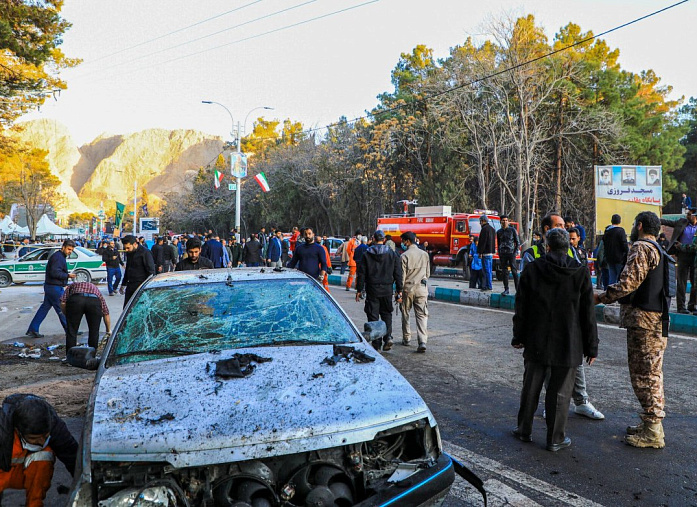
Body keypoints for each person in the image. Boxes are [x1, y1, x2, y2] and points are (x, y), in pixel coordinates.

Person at [512, 228, 598, 452]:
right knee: (560, 393)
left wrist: (518, 336)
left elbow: (522, 307)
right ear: (568, 247)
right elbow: (588, 314)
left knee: (530, 387)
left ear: (546, 246)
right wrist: (592, 346)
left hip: (536, 339)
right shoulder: (580, 272)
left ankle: (524, 430)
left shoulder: (532, 269)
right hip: (568, 343)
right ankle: (555, 438)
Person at [595, 211, 668, 448]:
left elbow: (628, 283)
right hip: (655, 321)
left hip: (643, 322)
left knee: (644, 375)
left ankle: (653, 430)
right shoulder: (658, 249)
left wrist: (602, 297)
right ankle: (651, 424)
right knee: (651, 373)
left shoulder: (641, 247)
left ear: (639, 226)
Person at [0, 394, 79, 507]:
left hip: (25, 473)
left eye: (45, 436)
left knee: (44, 455)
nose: (41, 442)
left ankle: (34, 503)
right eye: (33, 439)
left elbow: (73, 458)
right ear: (18, 431)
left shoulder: (55, 427)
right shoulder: (2, 431)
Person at [355, 230, 403, 352]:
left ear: (374, 239)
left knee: (373, 315)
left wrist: (359, 289)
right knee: (387, 313)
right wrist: (399, 289)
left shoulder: (366, 254)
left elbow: (361, 274)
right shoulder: (392, 254)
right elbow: (398, 273)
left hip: (372, 289)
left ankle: (376, 342)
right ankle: (388, 337)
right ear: (384, 240)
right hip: (387, 289)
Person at [25, 240, 76, 339]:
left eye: (72, 250)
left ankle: (33, 329)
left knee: (44, 309)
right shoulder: (58, 257)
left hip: (51, 286)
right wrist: (67, 275)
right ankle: (70, 331)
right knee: (62, 309)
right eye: (69, 249)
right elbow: (54, 273)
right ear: (63, 247)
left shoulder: (59, 256)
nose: (70, 252)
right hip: (54, 287)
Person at [660, 210, 697, 314]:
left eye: (690, 214)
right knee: (681, 282)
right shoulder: (682, 222)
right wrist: (656, 220)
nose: (688, 216)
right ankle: (681, 306)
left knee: (695, 282)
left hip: (694, 256)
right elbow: (667, 222)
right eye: (688, 214)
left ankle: (692, 305)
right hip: (682, 255)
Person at [399, 232, 429, 353]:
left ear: (407, 241)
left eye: (403, 241)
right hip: (422, 288)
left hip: (408, 289)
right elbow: (428, 274)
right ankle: (422, 341)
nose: (402, 244)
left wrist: (399, 292)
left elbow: (402, 277)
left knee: (406, 313)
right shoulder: (425, 254)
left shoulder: (404, 256)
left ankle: (407, 338)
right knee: (421, 315)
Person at [60, 281, 110, 352]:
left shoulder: (72, 285)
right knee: (94, 331)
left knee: (72, 331)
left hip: (76, 300)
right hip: (94, 301)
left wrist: (68, 314)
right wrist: (108, 330)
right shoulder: (95, 289)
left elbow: (62, 302)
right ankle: (92, 357)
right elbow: (106, 312)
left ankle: (70, 356)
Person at [119, 235, 155, 308]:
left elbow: (151, 272)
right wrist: (123, 284)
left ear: (135, 244)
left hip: (141, 286)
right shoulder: (129, 253)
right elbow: (128, 269)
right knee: (127, 309)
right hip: (130, 285)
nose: (126, 250)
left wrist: (147, 287)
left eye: (128, 248)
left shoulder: (145, 253)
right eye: (125, 248)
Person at [496, 215, 520, 295]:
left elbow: (517, 242)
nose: (505, 222)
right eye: (503, 220)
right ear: (500, 221)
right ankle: (506, 289)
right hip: (503, 253)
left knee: (514, 271)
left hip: (511, 253)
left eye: (506, 220)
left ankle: (518, 290)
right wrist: (499, 253)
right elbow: (499, 243)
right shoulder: (499, 232)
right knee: (504, 272)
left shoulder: (512, 230)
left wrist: (515, 252)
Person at [604, 214, 629, 286]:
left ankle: (610, 293)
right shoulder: (621, 231)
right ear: (620, 221)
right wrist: (627, 253)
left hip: (609, 258)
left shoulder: (607, 231)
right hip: (619, 258)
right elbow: (624, 244)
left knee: (612, 277)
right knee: (620, 278)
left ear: (611, 221)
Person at [477, 216, 496, 291]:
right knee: (489, 270)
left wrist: (480, 252)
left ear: (483, 221)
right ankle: (489, 285)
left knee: (485, 270)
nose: (480, 223)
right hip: (491, 252)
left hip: (485, 253)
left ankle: (487, 286)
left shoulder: (484, 229)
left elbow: (482, 242)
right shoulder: (492, 229)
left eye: (480, 221)